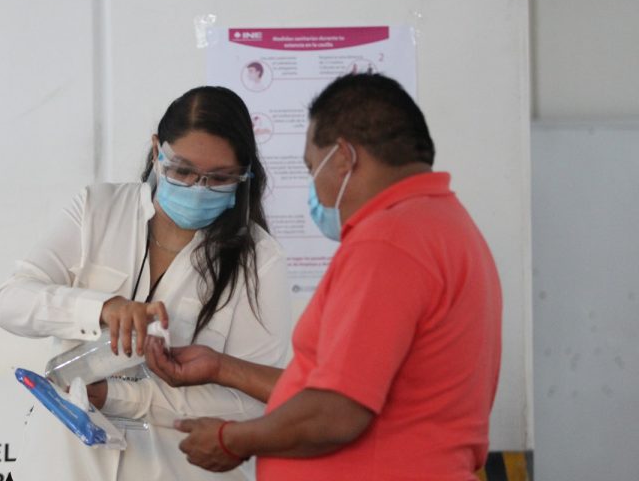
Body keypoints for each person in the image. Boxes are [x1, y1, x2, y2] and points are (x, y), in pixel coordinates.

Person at [146, 73, 503, 480]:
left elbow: (336, 412)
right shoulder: (447, 226)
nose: (314, 189)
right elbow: (343, 388)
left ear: (345, 158)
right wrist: (222, 368)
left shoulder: (388, 243)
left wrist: (233, 439)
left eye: (313, 168)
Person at [0, 86, 293, 481]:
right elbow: (10, 303)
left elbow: (249, 404)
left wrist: (121, 397)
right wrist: (102, 308)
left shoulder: (259, 259)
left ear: (244, 175)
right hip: (65, 465)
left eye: (219, 178)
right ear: (156, 151)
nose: (197, 188)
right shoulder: (97, 209)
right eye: (182, 170)